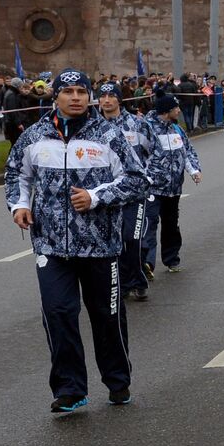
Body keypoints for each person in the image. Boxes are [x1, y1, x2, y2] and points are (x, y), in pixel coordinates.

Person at [4, 69, 146, 412]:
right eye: (67, 91)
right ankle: (70, 389)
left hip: (100, 246)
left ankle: (117, 381)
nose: (76, 97)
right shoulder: (34, 136)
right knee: (58, 313)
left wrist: (95, 197)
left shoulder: (109, 136)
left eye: (82, 91)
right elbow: (15, 174)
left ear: (90, 96)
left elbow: (137, 180)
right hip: (50, 245)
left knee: (106, 317)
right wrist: (19, 205)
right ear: (55, 97)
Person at [95, 82, 152, 302]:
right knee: (113, 242)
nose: (107, 100)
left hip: (134, 194)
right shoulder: (94, 127)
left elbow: (153, 152)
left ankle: (137, 280)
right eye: (103, 96)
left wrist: (148, 178)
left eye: (111, 96)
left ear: (119, 99)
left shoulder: (136, 124)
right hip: (107, 196)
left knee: (132, 238)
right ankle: (122, 283)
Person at [139, 94, 202, 274]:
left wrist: (194, 171)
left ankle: (171, 259)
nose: (179, 110)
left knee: (171, 225)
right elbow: (136, 156)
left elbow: (187, 151)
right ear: (167, 111)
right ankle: (147, 263)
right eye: (176, 108)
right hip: (152, 188)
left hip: (173, 188)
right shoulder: (147, 129)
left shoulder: (176, 129)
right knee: (148, 225)